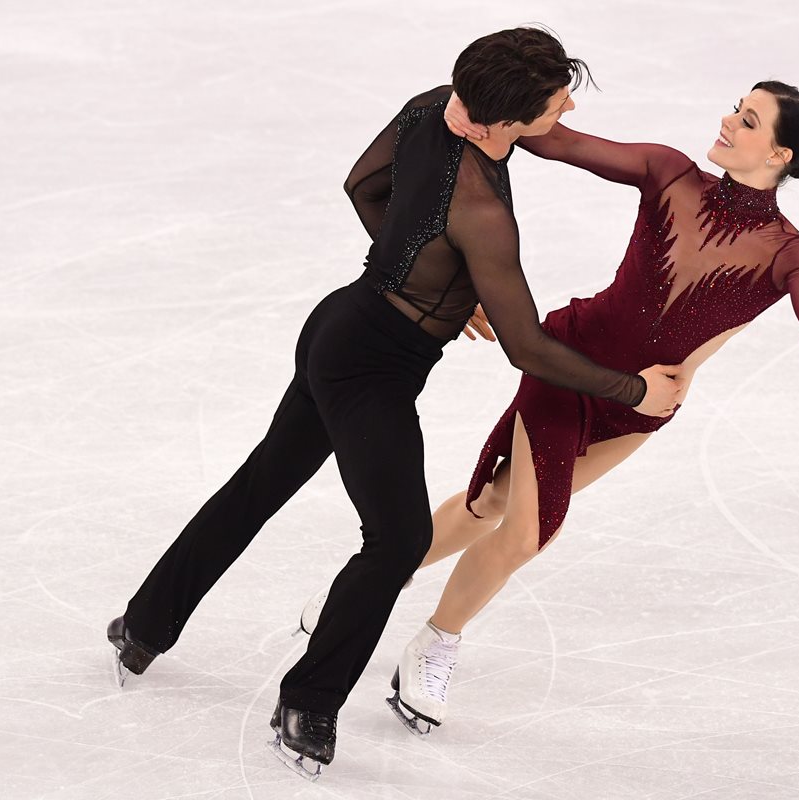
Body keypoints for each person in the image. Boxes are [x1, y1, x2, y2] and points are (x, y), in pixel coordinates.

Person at [106, 27, 682, 780]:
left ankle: (143, 626)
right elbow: (529, 349)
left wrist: (426, 276)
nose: (567, 104)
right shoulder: (480, 212)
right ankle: (308, 701)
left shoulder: (430, 107)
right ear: (500, 121)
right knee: (398, 539)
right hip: (369, 370)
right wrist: (636, 390)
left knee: (260, 486)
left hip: (338, 326)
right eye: (554, 101)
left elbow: (362, 185)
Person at [301, 80, 799, 737]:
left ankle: (364, 587)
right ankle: (436, 642)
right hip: (570, 364)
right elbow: (557, 141)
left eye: (747, 121)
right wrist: (487, 92)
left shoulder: (791, 253)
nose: (726, 120)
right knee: (529, 530)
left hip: (641, 407)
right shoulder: (668, 173)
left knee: (489, 505)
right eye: (734, 108)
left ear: (779, 155)